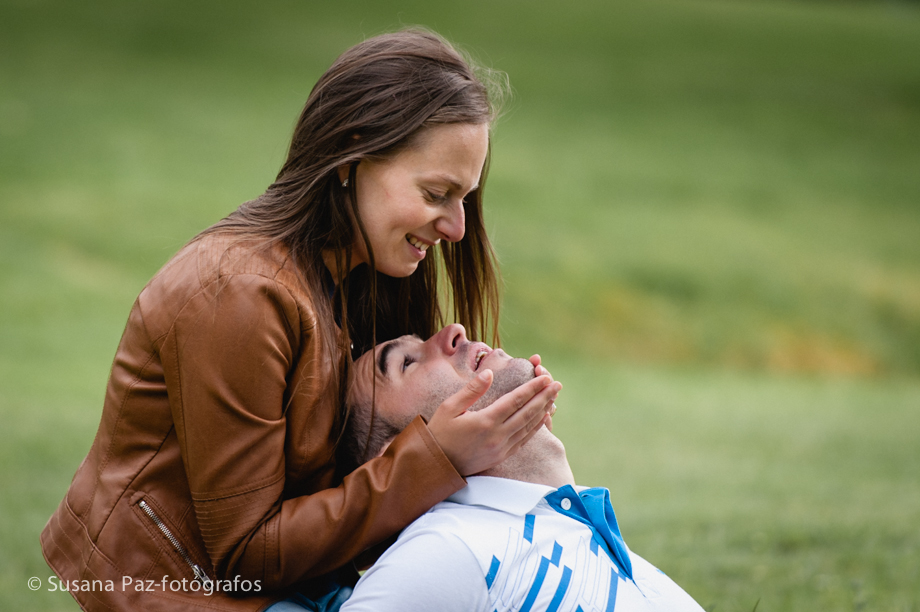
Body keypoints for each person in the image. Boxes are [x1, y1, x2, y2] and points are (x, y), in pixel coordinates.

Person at [40, 30, 560, 611]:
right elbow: (247, 555)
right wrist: (438, 458)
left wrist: (501, 432)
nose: (457, 228)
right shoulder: (239, 295)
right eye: (436, 192)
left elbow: (360, 482)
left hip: (303, 585)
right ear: (352, 157)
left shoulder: (366, 270)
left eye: (464, 198)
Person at [337, 325, 705, 612]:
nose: (454, 330)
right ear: (401, 452)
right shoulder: (448, 547)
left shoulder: (572, 527)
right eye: (406, 363)